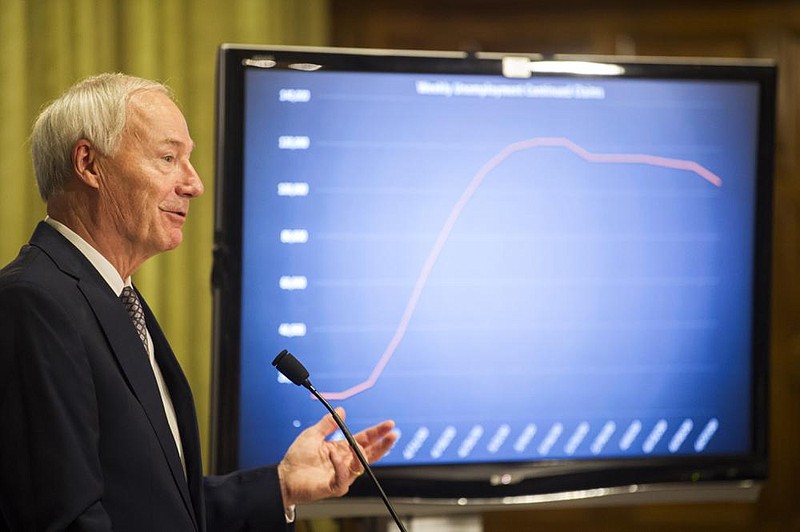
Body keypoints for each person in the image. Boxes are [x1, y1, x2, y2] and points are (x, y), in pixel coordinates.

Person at [0, 73, 398, 532]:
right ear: (89, 164)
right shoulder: (34, 304)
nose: (194, 184)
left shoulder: (111, 295)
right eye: (169, 158)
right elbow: (66, 521)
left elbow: (155, 506)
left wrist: (281, 485)